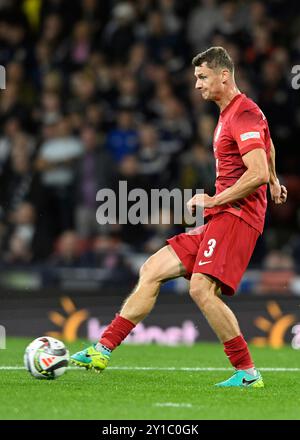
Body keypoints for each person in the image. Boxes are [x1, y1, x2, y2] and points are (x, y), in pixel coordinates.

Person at [71, 47, 288, 387]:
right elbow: (268, 145)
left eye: (202, 77)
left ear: (224, 75)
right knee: (153, 269)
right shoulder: (234, 113)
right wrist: (275, 181)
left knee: (201, 290)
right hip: (223, 215)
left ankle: (247, 372)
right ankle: (102, 348)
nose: (198, 85)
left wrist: (232, 192)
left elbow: (256, 171)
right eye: (196, 78)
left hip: (237, 216)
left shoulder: (242, 112)